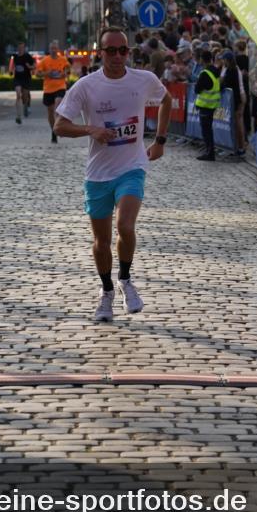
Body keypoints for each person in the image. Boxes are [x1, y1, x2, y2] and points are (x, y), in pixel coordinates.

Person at [54, 26, 172, 323]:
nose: (118, 56)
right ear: (100, 53)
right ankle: (106, 291)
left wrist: (159, 141)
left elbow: (166, 99)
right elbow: (59, 126)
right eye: (112, 51)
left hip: (132, 167)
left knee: (126, 225)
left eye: (123, 50)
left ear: (128, 53)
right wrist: (90, 129)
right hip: (98, 174)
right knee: (101, 241)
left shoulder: (144, 80)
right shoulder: (86, 86)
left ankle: (126, 280)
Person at [37, 41, 71, 143]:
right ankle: (54, 131)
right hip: (48, 89)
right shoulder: (44, 61)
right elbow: (37, 74)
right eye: (52, 48)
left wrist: (65, 74)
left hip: (60, 86)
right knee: (50, 112)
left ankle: (58, 126)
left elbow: (68, 69)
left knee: (58, 103)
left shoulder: (63, 59)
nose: (53, 50)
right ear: (49, 49)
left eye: (55, 48)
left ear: (58, 49)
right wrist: (47, 73)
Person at [194, 50, 220, 161]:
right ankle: (210, 151)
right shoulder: (216, 70)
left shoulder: (205, 73)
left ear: (202, 59)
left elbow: (197, 89)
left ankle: (209, 153)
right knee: (208, 129)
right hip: (213, 104)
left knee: (206, 131)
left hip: (205, 105)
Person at [9, 42, 35, 124]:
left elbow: (34, 66)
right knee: (18, 95)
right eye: (19, 47)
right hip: (17, 78)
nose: (20, 49)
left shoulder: (28, 56)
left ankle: (26, 106)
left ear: (24, 48)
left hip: (26, 78)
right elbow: (12, 65)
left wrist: (29, 67)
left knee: (25, 96)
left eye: (22, 47)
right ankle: (18, 116)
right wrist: (10, 70)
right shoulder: (15, 57)